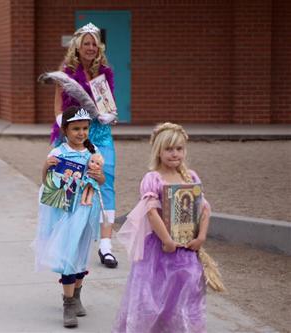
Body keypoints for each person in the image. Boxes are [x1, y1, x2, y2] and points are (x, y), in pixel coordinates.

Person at [112, 122, 212, 333]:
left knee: (185, 291)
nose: (175, 154)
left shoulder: (190, 177)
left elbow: (203, 209)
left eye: (179, 149)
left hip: (187, 249)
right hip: (160, 249)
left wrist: (201, 237)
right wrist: (167, 240)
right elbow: (150, 210)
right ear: (159, 151)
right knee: (155, 294)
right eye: (169, 149)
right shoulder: (153, 179)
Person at [52, 22, 119, 268]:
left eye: (94, 43)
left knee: (106, 182)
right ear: (77, 47)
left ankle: (106, 246)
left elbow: (109, 106)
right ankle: (70, 237)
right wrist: (66, 126)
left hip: (100, 134)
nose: (91, 48)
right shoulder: (66, 72)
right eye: (86, 43)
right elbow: (58, 107)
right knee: (73, 183)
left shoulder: (105, 73)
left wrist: (110, 114)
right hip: (76, 134)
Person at [33, 106, 104, 328]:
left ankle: (77, 296)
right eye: (76, 129)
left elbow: (102, 183)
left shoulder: (93, 153)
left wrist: (98, 176)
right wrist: (46, 167)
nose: (81, 133)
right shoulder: (57, 153)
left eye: (84, 128)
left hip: (85, 211)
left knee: (81, 255)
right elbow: (46, 183)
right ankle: (67, 303)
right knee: (67, 255)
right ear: (65, 130)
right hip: (64, 211)